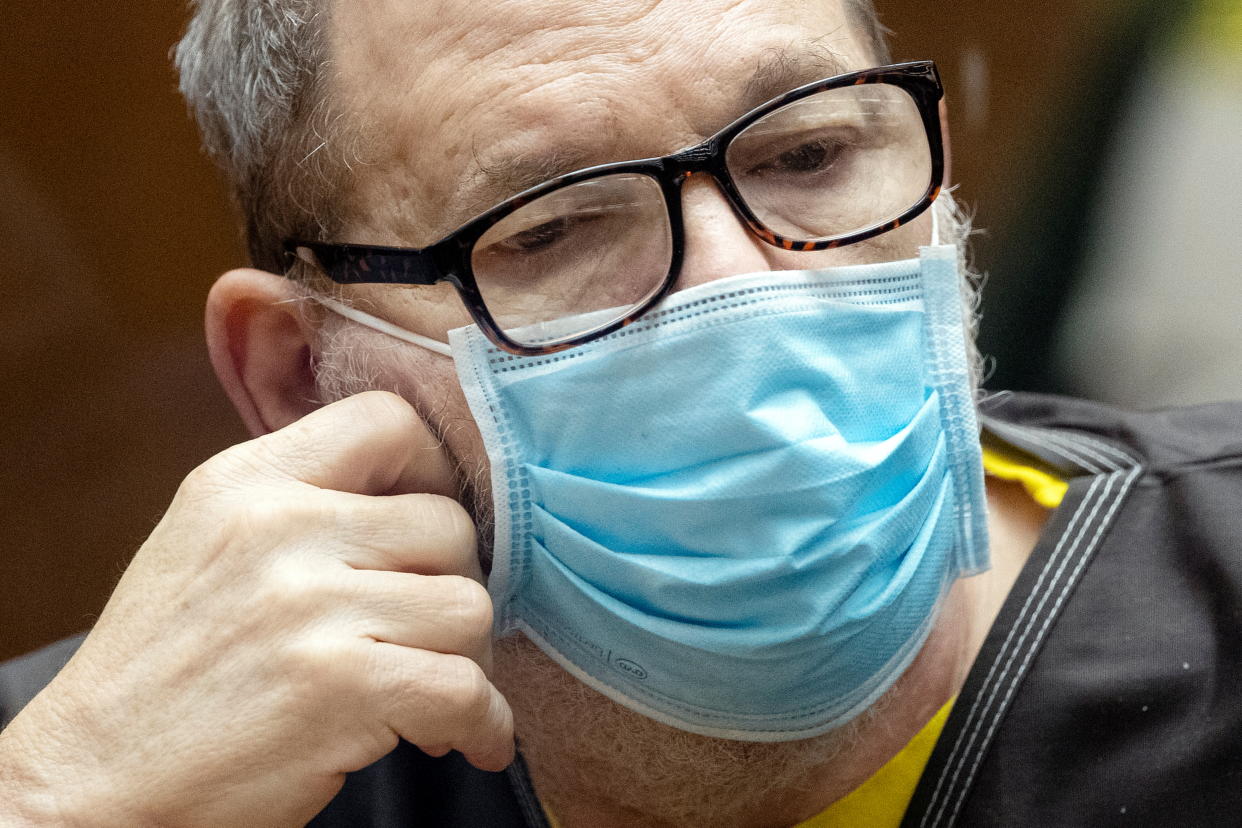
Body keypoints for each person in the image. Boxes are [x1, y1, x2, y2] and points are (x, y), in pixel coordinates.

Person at [1, 1, 1240, 826]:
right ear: (295, 374)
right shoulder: (132, 762)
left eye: (810, 155)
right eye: (553, 227)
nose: (744, 281)